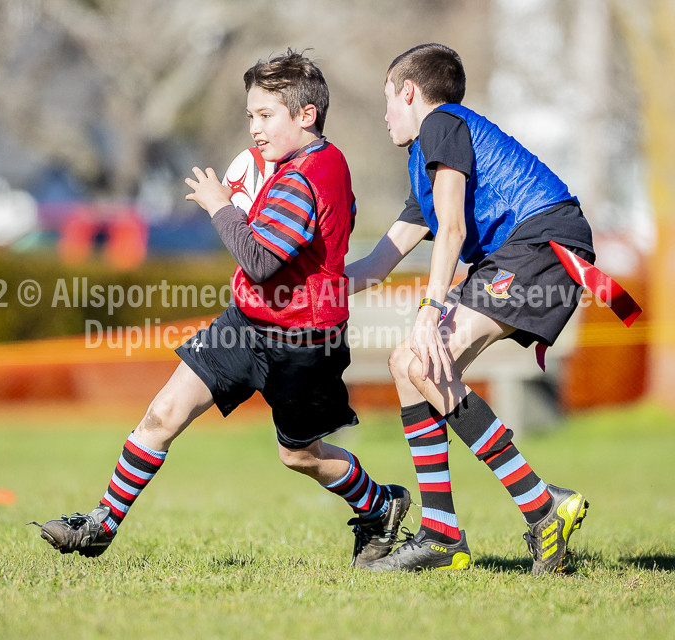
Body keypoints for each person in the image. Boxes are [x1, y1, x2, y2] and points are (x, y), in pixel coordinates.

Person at [34, 50, 410, 568]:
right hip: (246, 325)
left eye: (265, 116)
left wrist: (221, 206)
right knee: (163, 413)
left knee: (299, 455)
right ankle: (102, 524)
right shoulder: (291, 166)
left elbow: (259, 261)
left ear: (307, 116)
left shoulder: (309, 175)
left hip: (304, 341)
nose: (254, 128)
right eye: (250, 115)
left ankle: (380, 505)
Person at [346, 43, 598, 574]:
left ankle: (536, 507)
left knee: (422, 358)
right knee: (407, 367)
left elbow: (454, 230)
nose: (385, 113)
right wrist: (304, 289)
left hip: (542, 245)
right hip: (525, 253)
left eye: (387, 98)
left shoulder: (440, 124)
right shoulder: (428, 162)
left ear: (408, 91)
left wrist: (429, 310)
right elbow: (376, 262)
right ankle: (445, 532)